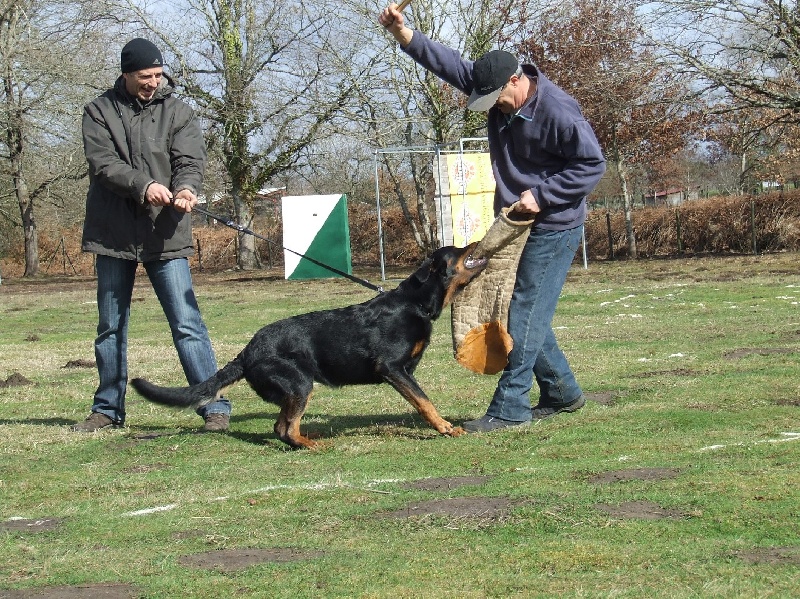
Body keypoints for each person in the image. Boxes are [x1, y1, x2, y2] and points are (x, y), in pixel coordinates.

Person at [379, 6, 607, 432]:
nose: (494, 107)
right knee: (525, 311)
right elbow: (446, 62)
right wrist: (403, 33)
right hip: (513, 224)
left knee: (521, 314)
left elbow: (592, 164)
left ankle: (510, 408)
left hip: (554, 225)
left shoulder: (558, 110)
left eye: (498, 98)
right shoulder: (493, 83)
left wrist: (543, 195)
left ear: (516, 81)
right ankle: (561, 392)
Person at [73, 38, 231, 433]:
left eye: (159, 76)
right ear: (126, 74)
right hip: (113, 234)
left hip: (166, 233)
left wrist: (187, 189)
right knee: (111, 325)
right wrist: (144, 185)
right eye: (145, 76)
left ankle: (214, 406)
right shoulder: (98, 111)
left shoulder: (178, 112)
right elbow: (103, 164)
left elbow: (190, 160)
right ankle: (107, 409)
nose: (153, 83)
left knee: (187, 321)